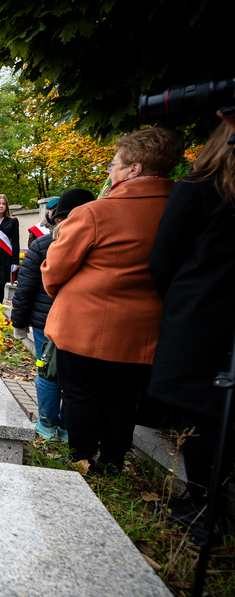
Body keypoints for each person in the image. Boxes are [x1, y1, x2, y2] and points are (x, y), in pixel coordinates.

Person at [42, 126, 184, 474]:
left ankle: (82, 457)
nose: (110, 171)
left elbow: (54, 269)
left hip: (86, 324)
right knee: (122, 396)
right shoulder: (181, 209)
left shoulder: (97, 212)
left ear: (134, 170)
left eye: (114, 164)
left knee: (81, 393)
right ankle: (113, 461)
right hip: (142, 326)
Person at [148, 118, 235, 542]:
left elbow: (164, 259)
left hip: (202, 316)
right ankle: (210, 502)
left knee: (199, 415)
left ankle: (201, 506)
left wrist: (182, 303)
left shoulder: (201, 188)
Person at [11, 188, 95, 441]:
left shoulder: (43, 244)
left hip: (47, 323)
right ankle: (68, 428)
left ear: (58, 218)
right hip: (83, 323)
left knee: (48, 372)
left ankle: (48, 425)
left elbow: (25, 288)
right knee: (76, 378)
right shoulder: (100, 242)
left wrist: (19, 322)